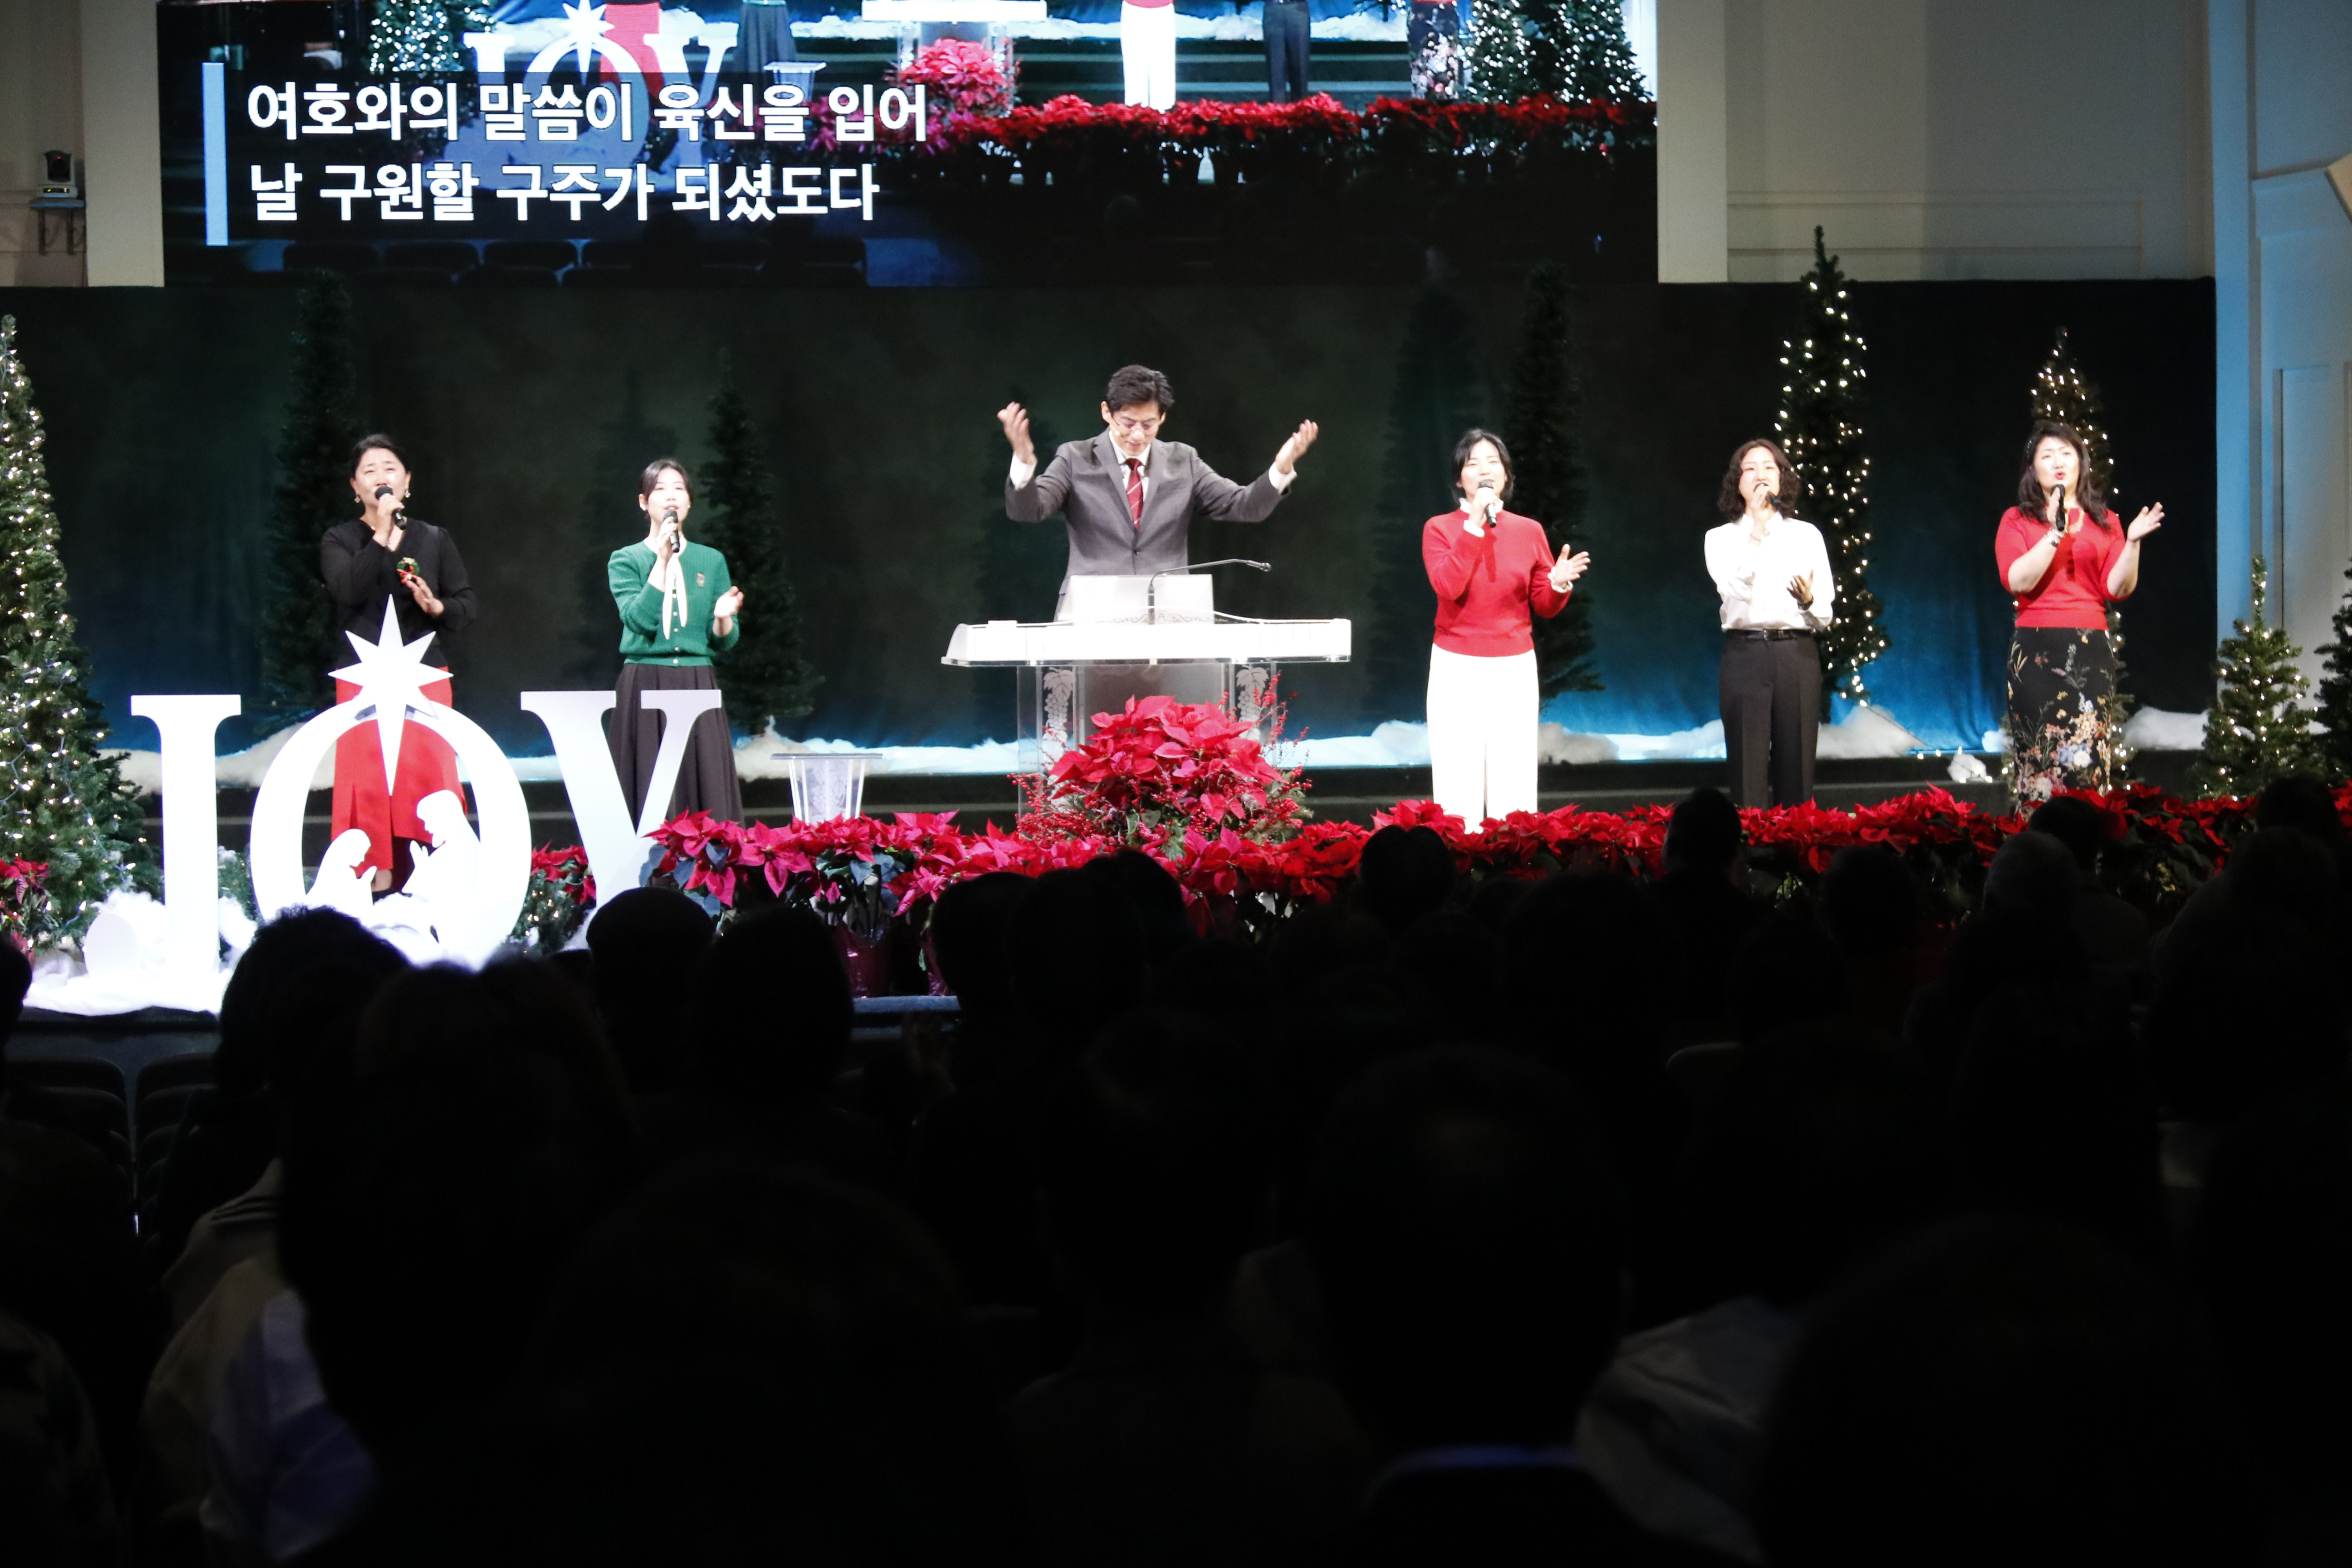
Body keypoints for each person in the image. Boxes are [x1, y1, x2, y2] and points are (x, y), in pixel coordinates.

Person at [999, 365, 1318, 618]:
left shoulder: (1184, 460)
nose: (1137, 435)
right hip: (1092, 613)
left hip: (1170, 615)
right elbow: (1028, 511)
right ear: (1107, 412)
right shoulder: (1075, 458)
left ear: (1162, 418)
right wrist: (1024, 462)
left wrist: (1281, 468)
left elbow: (1245, 507)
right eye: (1128, 423)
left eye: (1148, 424)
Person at [320, 435, 477, 893]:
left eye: (390, 468)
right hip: (362, 678)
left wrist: (437, 607)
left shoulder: (434, 539)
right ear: (355, 487)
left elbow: (466, 604)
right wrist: (381, 536)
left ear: (407, 481)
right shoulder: (339, 539)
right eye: (369, 471)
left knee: (428, 777)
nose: (381, 477)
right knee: (367, 781)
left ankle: (435, 878)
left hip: (423, 676)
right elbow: (347, 590)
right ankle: (373, 881)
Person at [1420, 428, 1589, 826]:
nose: (1484, 470)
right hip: (1456, 665)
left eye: (1493, 462)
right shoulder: (1440, 528)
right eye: (1473, 463)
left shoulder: (1529, 531)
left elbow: (1544, 605)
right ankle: (1460, 862)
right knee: (1457, 782)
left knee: (1513, 784)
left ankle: (1513, 862)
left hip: (1514, 666)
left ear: (1507, 474)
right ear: (1459, 478)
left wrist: (1558, 584)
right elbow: (1448, 586)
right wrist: (1474, 527)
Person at [1994, 419, 2163, 803]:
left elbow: (2117, 589)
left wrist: (2132, 544)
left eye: (2066, 454)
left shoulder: (2107, 522)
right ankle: (2037, 837)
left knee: (2087, 764)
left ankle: (2086, 837)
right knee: (2038, 763)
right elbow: (2017, 580)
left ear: (2081, 463)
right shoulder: (2016, 520)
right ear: (2032, 468)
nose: (2058, 462)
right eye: (2047, 455)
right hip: (2036, 651)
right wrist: (2055, 532)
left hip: (2090, 649)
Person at [606, 459, 746, 826]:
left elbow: (726, 640)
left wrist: (722, 617)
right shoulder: (626, 560)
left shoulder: (710, 560)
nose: (671, 496)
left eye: (679, 489)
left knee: (705, 781)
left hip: (697, 679)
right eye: (660, 489)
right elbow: (638, 619)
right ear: (644, 502)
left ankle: (709, 860)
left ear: (689, 502)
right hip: (646, 679)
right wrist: (662, 562)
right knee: (647, 785)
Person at [1705, 438, 1834, 809]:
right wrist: (1757, 531)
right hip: (1745, 654)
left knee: (1797, 769)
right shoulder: (1720, 538)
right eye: (1750, 469)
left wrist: (1808, 601)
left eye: (1769, 468)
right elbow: (1734, 590)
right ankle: (1748, 845)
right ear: (1738, 482)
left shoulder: (1806, 535)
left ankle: (1797, 844)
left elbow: (1825, 614)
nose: (1760, 475)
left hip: (1797, 654)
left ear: (1781, 479)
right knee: (1748, 769)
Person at [1119, 0, 1177, 109]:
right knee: (1134, 64)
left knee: (1163, 65)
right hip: (1133, 7)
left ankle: (1163, 111)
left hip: (1162, 7)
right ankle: (1136, 112)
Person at [1265, 0, 1310, 101]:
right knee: (1276, 66)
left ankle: (1301, 106)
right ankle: (1277, 107)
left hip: (1298, 8)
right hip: (1273, 9)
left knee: (1299, 63)